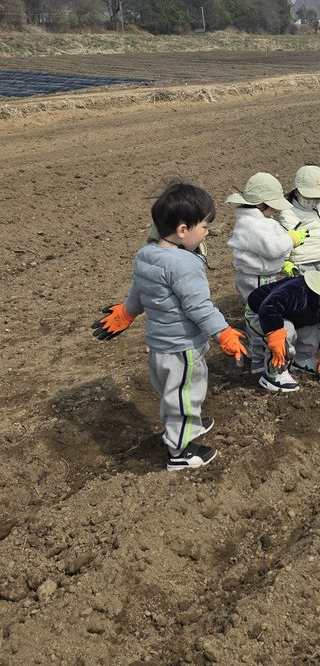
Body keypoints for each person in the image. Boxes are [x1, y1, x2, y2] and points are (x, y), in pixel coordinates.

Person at [91, 182, 248, 471]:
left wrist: (127, 312)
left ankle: (189, 424)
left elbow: (139, 291)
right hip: (182, 347)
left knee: (175, 392)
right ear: (183, 230)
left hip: (159, 345)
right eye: (204, 226)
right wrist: (223, 332)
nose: (207, 232)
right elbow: (199, 307)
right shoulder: (184, 264)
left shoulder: (147, 254)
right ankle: (180, 451)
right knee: (184, 395)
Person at [225, 172, 306, 391]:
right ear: (261, 204)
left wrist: (284, 265)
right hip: (257, 279)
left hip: (258, 275)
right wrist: (292, 238)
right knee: (267, 320)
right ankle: (274, 369)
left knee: (257, 316)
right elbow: (273, 248)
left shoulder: (255, 221)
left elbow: (265, 252)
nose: (275, 211)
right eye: (273, 207)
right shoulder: (252, 225)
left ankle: (258, 358)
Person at [246, 268, 320, 384]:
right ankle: (273, 374)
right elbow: (268, 307)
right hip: (260, 314)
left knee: (315, 330)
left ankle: (300, 360)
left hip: (289, 316)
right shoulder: (297, 291)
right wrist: (275, 334)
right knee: (284, 331)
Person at [282, 165, 320, 274]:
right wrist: (285, 262)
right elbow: (285, 240)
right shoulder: (289, 213)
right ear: (296, 191)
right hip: (302, 263)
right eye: (309, 196)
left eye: (317, 197)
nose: (313, 201)